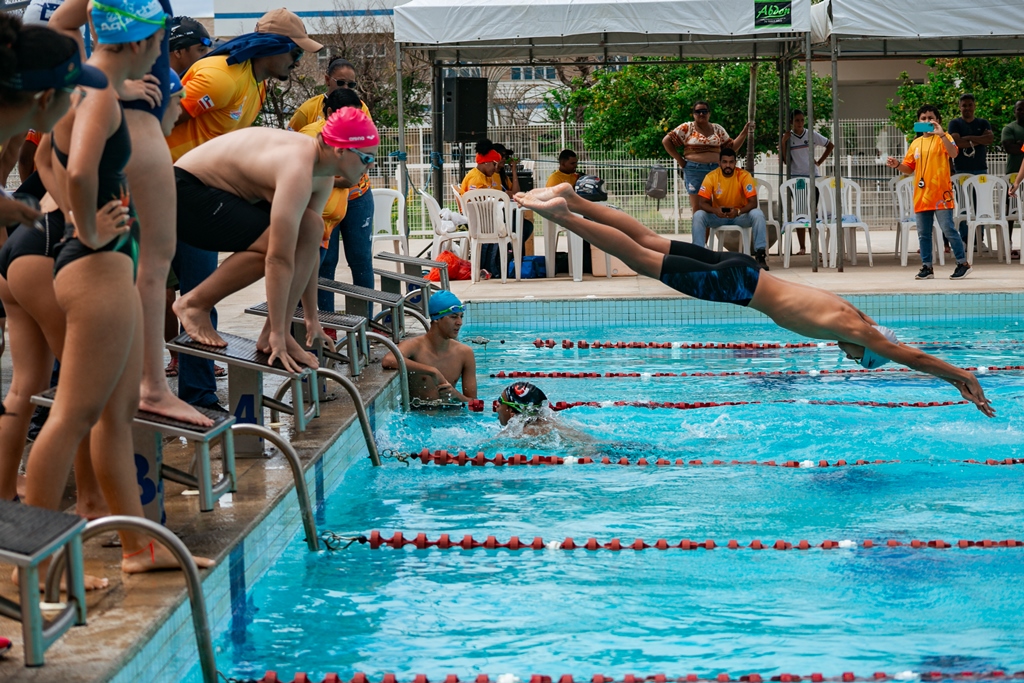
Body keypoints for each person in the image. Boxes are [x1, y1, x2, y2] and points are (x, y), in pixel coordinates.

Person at [513, 183, 994, 417]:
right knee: (641, 257)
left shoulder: (855, 314)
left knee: (651, 238)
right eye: (863, 360)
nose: (851, 357)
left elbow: (888, 337)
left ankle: (572, 198)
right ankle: (564, 213)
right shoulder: (858, 331)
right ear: (868, 347)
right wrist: (960, 376)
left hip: (749, 272)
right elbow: (907, 355)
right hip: (740, 288)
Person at [29, 0, 213, 583]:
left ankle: (141, 548)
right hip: (97, 270)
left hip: (104, 263)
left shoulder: (85, 83)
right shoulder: (102, 95)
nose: (165, 53)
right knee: (72, 417)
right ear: (140, 41)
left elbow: (42, 156)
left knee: (115, 413)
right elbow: (79, 173)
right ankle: (37, 564)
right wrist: (88, 228)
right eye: (159, 41)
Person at [50, 0, 213, 426]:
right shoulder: (106, 86)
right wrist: (112, 85)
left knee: (140, 267)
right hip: (137, 133)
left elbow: (65, 23)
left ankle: (139, 382)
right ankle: (153, 387)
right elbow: (61, 25)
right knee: (153, 267)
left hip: (135, 131)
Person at [165, 7, 322, 409]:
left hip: (208, 191)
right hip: (177, 188)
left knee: (187, 291)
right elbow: (161, 118)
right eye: (295, 53)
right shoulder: (220, 76)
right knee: (193, 296)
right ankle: (195, 396)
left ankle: (199, 390)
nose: (298, 61)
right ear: (273, 48)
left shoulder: (257, 83)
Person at [171, 108, 377, 371]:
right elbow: (278, 258)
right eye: (365, 158)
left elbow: (309, 247)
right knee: (274, 245)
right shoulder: (298, 169)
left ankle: (272, 332)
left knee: (312, 227)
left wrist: (312, 319)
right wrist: (280, 335)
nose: (370, 166)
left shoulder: (321, 175)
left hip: (221, 195)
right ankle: (193, 304)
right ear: (340, 150)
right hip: (185, 195)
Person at [0, 15, 108, 508]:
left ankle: (7, 496)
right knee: (80, 396)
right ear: (47, 98)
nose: (74, 107)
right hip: (37, 255)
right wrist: (83, 228)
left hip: (20, 250)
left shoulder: (12, 124)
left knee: (32, 386)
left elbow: (43, 162)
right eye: (70, 95)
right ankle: (88, 503)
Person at [290, 58, 375, 313]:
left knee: (361, 259)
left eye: (352, 83)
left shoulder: (360, 110)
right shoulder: (309, 122)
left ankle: (364, 322)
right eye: (341, 82)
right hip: (323, 202)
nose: (347, 86)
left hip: (357, 196)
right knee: (324, 263)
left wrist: (350, 175)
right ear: (327, 79)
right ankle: (323, 322)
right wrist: (336, 179)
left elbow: (365, 157)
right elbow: (294, 156)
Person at [886, 105, 971, 281]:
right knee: (923, 233)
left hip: (941, 194)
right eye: (923, 118)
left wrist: (941, 134)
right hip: (922, 195)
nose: (927, 121)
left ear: (938, 120)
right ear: (918, 122)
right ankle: (927, 267)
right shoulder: (916, 143)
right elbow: (908, 169)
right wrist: (896, 164)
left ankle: (962, 263)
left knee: (948, 229)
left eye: (930, 118)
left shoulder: (944, 138)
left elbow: (954, 153)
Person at [297, 87, 364, 272]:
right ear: (329, 113)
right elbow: (298, 177)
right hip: (308, 222)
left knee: (311, 281)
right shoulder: (311, 136)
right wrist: (337, 180)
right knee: (304, 280)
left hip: (325, 225)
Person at [382, 290, 477, 405]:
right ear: (436, 318)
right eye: (454, 317)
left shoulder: (465, 353)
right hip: (420, 418)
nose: (460, 322)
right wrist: (432, 371)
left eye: (461, 317)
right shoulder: (415, 346)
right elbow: (388, 360)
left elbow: (474, 402)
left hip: (452, 418)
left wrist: (456, 396)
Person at [662, 100, 753, 212]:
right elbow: (666, 141)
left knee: (713, 206)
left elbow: (731, 147)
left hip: (715, 170)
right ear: (693, 114)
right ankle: (698, 230)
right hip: (694, 170)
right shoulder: (687, 128)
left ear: (709, 113)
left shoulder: (717, 129)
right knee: (698, 206)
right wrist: (681, 161)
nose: (701, 114)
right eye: (698, 111)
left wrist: (744, 132)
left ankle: (710, 230)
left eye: (704, 111)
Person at [691, 147, 769, 269]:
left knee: (758, 214)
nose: (728, 165)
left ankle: (760, 256)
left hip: (740, 216)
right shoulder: (711, 176)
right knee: (698, 215)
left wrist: (738, 212)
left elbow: (753, 202)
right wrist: (715, 210)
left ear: (735, 163)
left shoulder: (744, 175)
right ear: (719, 163)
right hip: (718, 216)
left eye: (731, 162)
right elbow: (702, 203)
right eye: (725, 162)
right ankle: (699, 256)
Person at [780, 109, 833, 255]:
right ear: (791, 122)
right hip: (796, 179)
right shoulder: (788, 137)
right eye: (797, 120)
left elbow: (830, 145)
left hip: (813, 178)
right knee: (800, 213)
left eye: (802, 120)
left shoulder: (811, 134)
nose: (800, 123)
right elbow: (785, 161)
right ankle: (802, 247)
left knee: (812, 212)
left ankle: (814, 247)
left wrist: (819, 162)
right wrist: (783, 143)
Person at [1000, 99, 1024, 255]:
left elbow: (1018, 148)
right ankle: (1007, 242)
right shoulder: (1009, 128)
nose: (1022, 112)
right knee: (1010, 209)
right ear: (1014, 111)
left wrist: (1020, 145)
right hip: (1013, 174)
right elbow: (1009, 148)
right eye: (1019, 109)